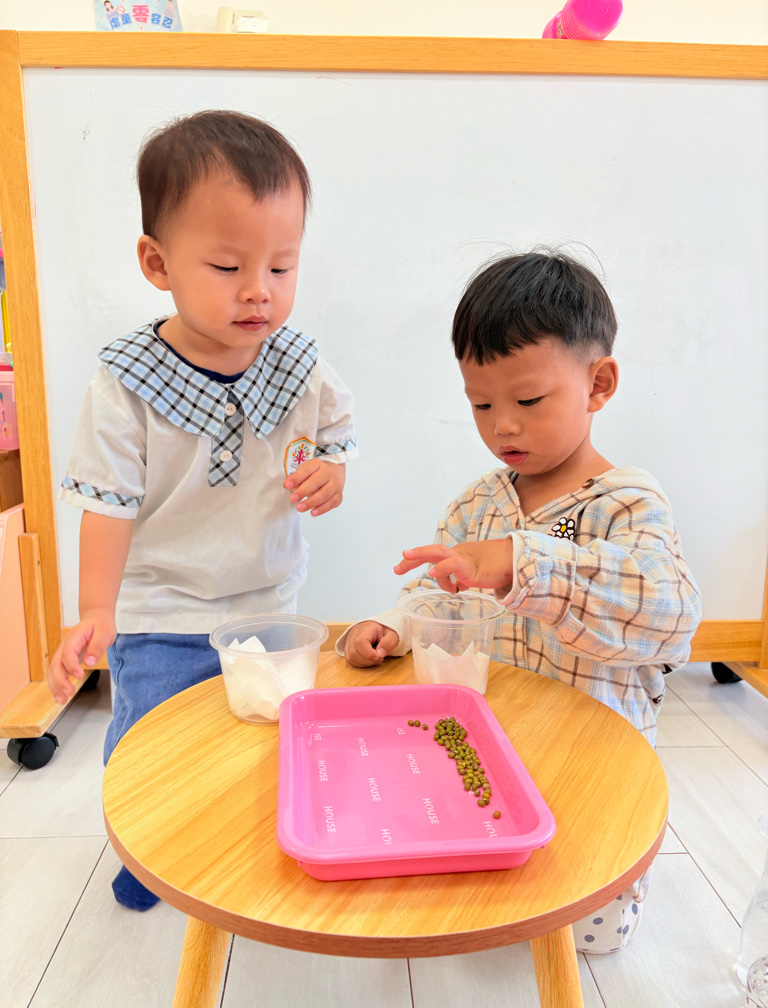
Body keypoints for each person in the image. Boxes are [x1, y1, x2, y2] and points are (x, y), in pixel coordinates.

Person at [341, 250, 701, 952]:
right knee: (472, 877)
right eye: (481, 405)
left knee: (588, 927)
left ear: (598, 384)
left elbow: (671, 616)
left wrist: (522, 561)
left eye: (528, 401)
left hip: (591, 764)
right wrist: (390, 626)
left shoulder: (626, 502)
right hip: (491, 755)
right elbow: (433, 593)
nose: (502, 425)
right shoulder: (476, 504)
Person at [47, 110, 358, 909]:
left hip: (268, 598)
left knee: (265, 735)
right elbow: (108, 506)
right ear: (157, 262)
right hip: (162, 608)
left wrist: (331, 472)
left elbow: (334, 436)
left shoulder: (300, 365)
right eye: (227, 265)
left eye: (282, 266)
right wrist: (96, 610)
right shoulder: (126, 384)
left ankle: (244, 841)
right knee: (152, 741)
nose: (260, 290)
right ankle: (147, 852)